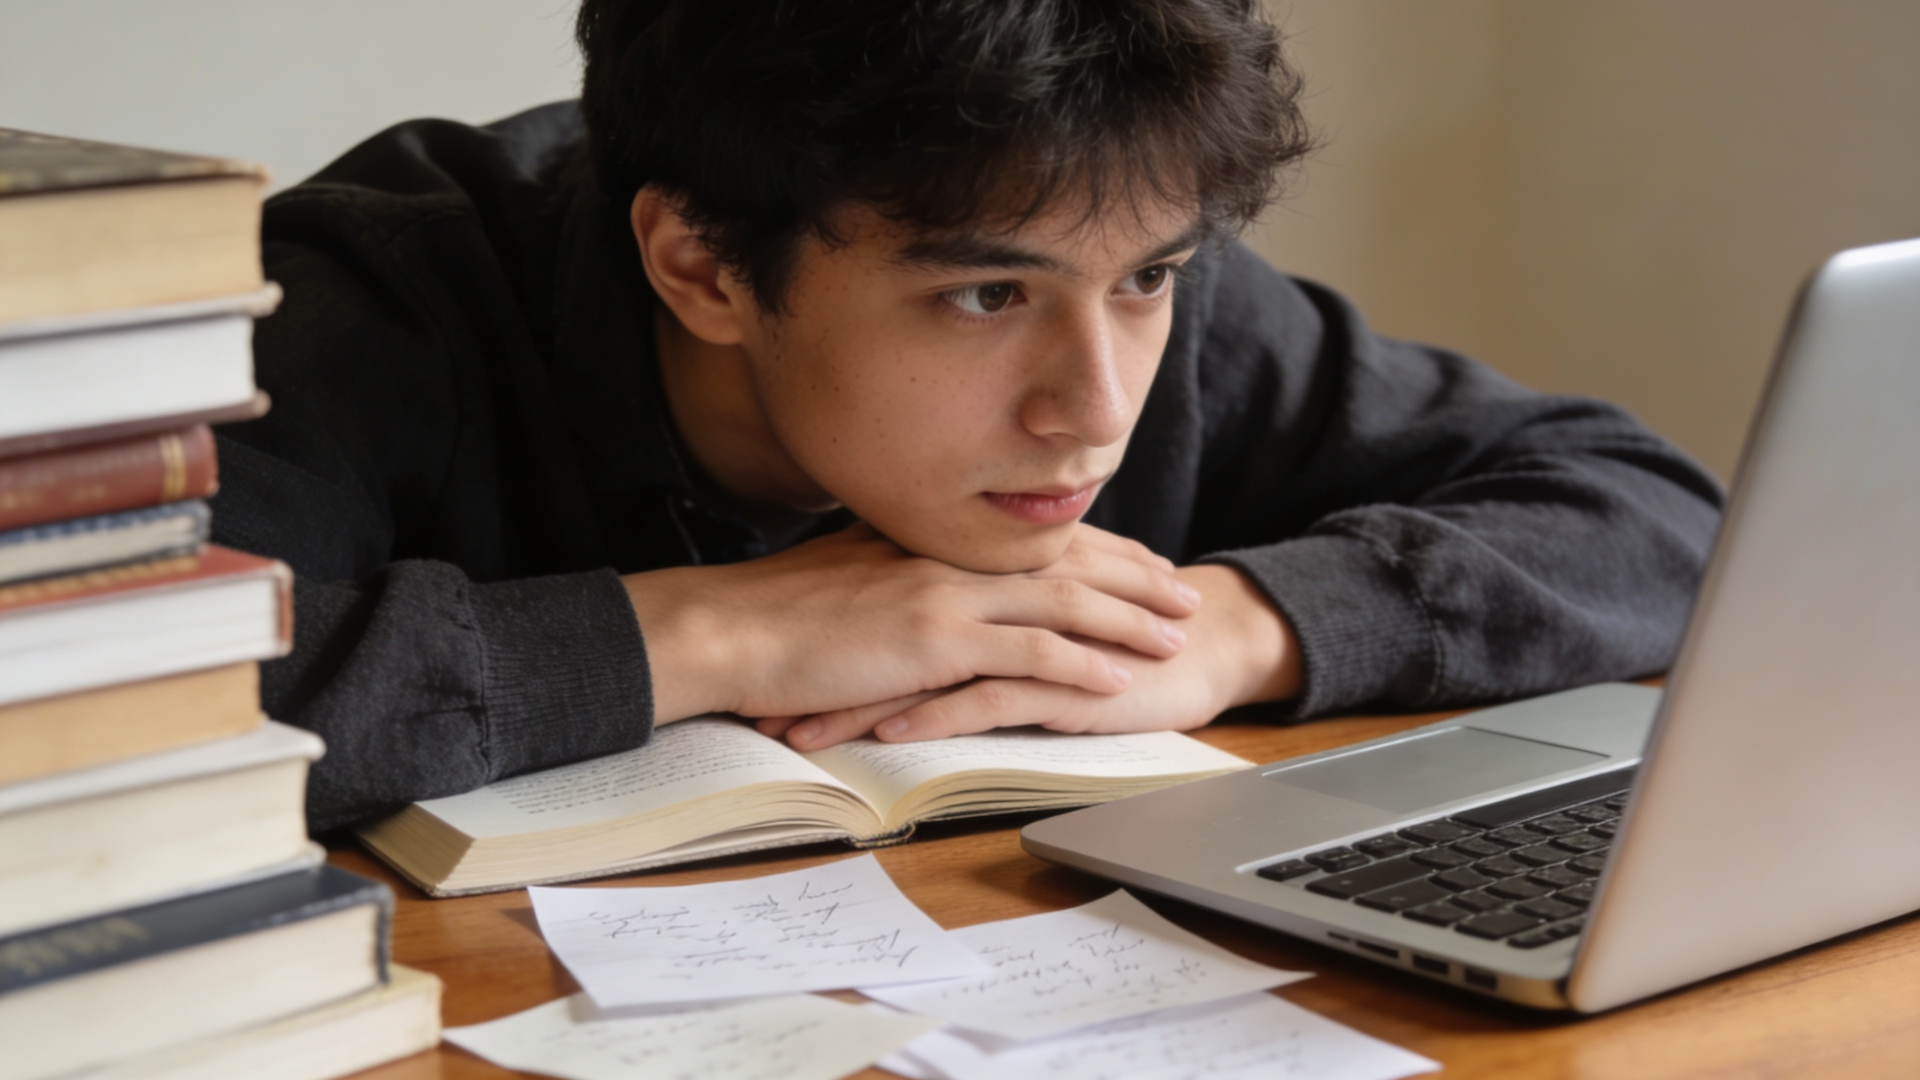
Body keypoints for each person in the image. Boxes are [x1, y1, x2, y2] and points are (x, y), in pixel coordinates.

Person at [213, 0, 1723, 833]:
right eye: (985, 299)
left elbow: (1651, 510)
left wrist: (1225, 629)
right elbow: (74, 717)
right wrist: (724, 631)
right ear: (701, 263)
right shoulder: (348, 303)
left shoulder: (1119, 270)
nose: (1098, 405)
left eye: (1149, 280)